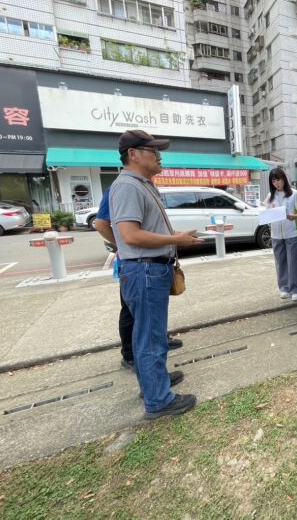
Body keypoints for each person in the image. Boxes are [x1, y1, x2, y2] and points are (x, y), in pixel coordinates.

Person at [110, 129, 204, 421]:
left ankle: (154, 383)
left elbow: (142, 230)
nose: (160, 156)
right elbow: (130, 234)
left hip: (149, 270)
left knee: (150, 335)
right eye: (153, 151)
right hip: (145, 270)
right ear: (134, 155)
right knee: (150, 338)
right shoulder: (128, 186)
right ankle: (159, 400)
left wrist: (175, 236)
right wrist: (175, 241)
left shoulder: (142, 184)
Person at [94, 188, 183, 372]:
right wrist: (122, 246)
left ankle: (154, 367)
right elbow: (101, 223)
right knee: (132, 312)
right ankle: (130, 356)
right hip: (138, 264)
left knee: (150, 318)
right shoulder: (123, 189)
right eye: (156, 156)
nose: (159, 160)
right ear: (136, 158)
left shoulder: (145, 187)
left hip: (151, 263)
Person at [265, 167, 297, 301]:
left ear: (284, 179)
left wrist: (294, 216)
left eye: (279, 180)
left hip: (292, 233)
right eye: (274, 181)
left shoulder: (294, 194)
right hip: (276, 235)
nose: (277, 183)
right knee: (280, 262)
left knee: (293, 262)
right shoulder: (270, 197)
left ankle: (296, 289)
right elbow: (267, 214)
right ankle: (284, 288)